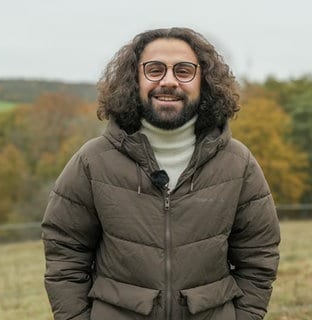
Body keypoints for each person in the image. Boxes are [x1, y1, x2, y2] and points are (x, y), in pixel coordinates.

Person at [42, 27, 280, 320]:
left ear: (203, 80)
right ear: (134, 79)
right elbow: (65, 255)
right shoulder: (93, 161)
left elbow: (259, 258)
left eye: (184, 70)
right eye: (154, 70)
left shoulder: (238, 163)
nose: (168, 81)